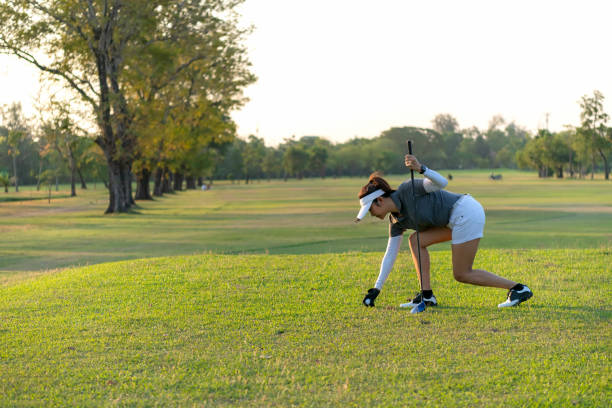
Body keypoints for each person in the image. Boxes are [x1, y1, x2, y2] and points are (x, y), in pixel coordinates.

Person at [355, 154, 533, 309]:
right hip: (453, 220)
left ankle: (518, 289)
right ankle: (427, 296)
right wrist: (376, 288)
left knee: (462, 273)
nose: (371, 215)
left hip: (465, 211)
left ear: (379, 201)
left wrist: (421, 168)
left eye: (370, 211)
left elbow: (441, 182)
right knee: (416, 240)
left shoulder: (407, 189)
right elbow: (390, 254)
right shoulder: (395, 220)